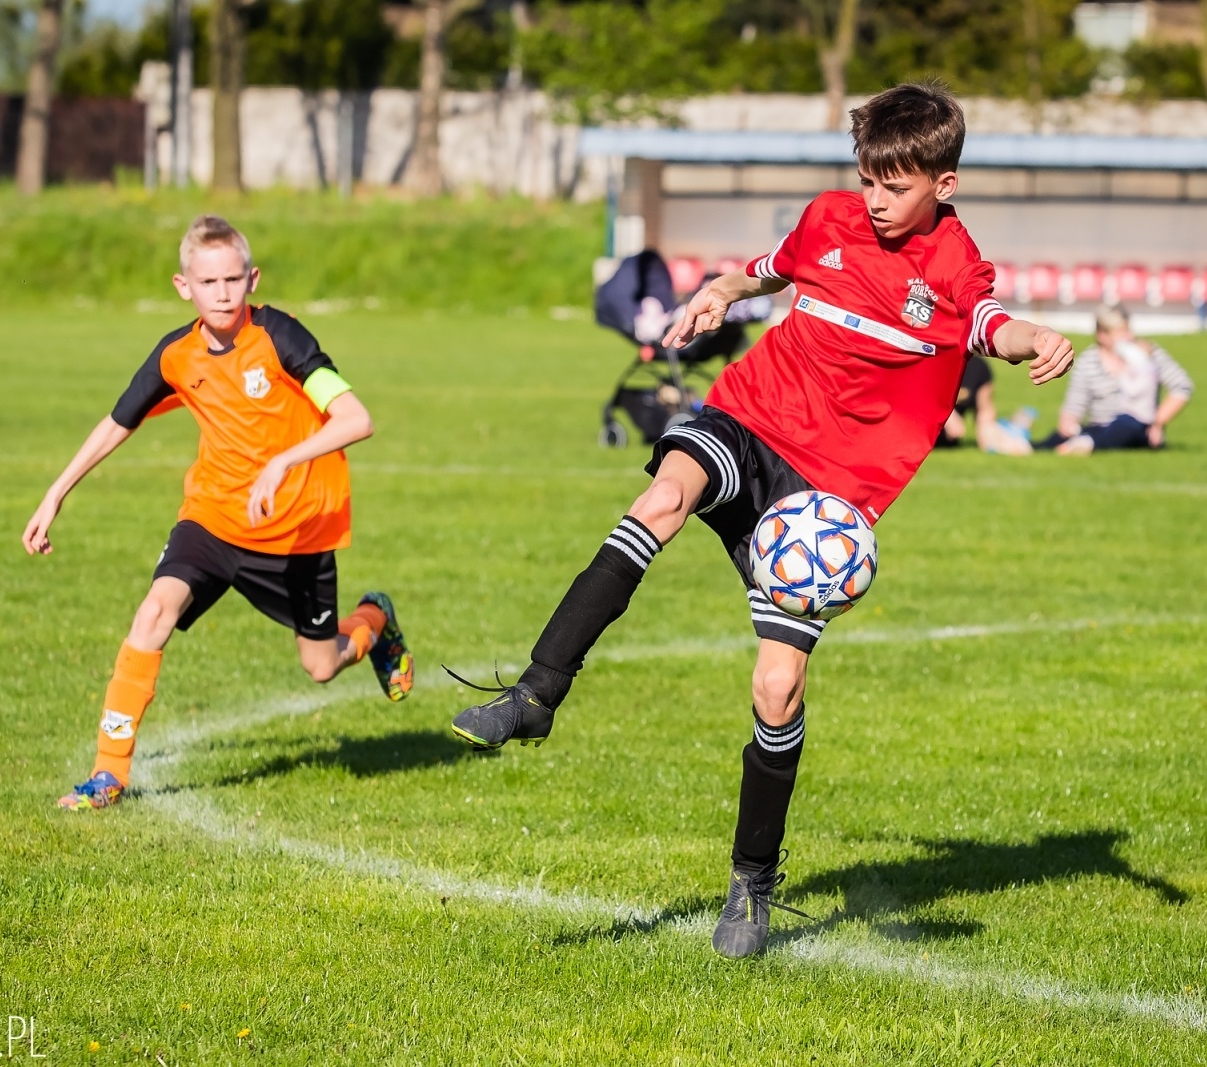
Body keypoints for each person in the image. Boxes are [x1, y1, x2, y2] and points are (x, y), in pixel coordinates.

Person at [446, 83, 1074, 958]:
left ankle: (752, 881)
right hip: (753, 413)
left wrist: (1038, 335)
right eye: (867, 180)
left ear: (946, 184)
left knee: (775, 689)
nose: (876, 200)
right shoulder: (829, 218)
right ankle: (536, 692)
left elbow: (991, 325)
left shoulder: (955, 268)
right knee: (663, 494)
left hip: (825, 495)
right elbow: (767, 270)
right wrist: (720, 292)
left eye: (896, 186)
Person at [22, 215, 414, 812]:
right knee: (154, 611)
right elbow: (116, 423)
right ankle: (108, 774)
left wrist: (285, 461)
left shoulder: (282, 338)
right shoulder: (176, 356)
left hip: (297, 532)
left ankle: (373, 621)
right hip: (212, 519)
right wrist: (55, 494)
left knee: (321, 665)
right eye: (209, 282)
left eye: (234, 279)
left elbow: (356, 419)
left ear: (252, 279)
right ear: (185, 287)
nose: (223, 293)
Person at [1036, 304, 1194, 454]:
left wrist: (1157, 423)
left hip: (1138, 426)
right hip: (1099, 427)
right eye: (1122, 332)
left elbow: (1182, 386)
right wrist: (1068, 426)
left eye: (1128, 330)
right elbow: (1074, 408)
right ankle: (1032, 447)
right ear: (1103, 336)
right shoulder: (1088, 361)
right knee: (1062, 437)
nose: (1130, 336)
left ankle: (1087, 444)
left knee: (1125, 424)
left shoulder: (1146, 354)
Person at [933, 354, 1034, 455]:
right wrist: (948, 415)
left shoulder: (978, 367)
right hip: (925, 427)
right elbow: (921, 389)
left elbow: (984, 408)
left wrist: (987, 436)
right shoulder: (934, 360)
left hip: (948, 439)